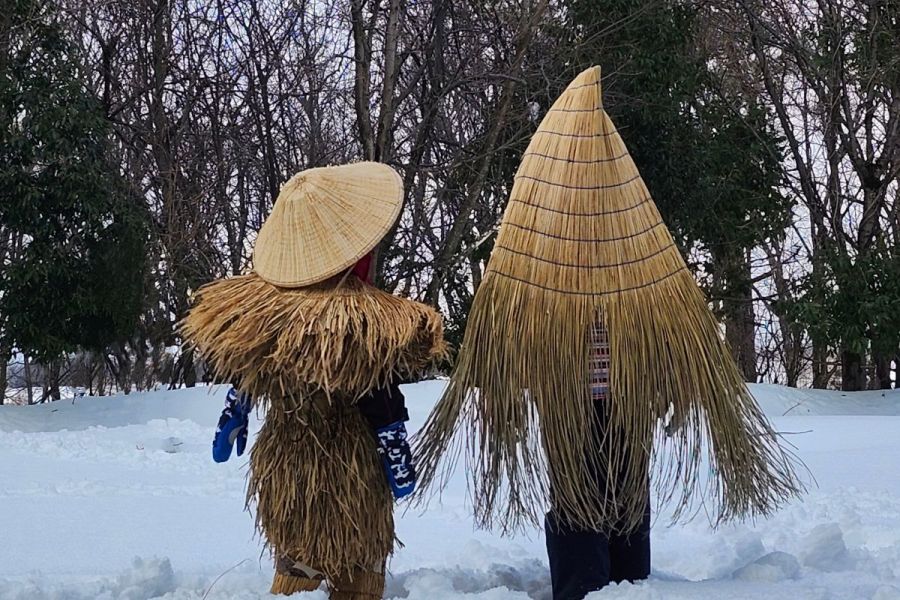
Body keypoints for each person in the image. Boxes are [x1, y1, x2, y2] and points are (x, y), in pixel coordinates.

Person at [413, 66, 803, 600]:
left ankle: (627, 584)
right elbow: (513, 339)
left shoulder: (636, 264)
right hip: (569, 403)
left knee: (625, 491)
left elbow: (672, 334)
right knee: (578, 494)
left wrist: (673, 384)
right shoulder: (546, 264)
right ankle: (583, 586)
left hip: (626, 399)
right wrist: (506, 386)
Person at [183, 162, 446, 599]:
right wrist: (393, 440)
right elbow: (378, 394)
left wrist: (238, 405)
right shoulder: (363, 321)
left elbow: (252, 365)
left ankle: (300, 582)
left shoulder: (262, 313)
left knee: (298, 561)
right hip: (350, 469)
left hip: (290, 465)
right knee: (357, 564)